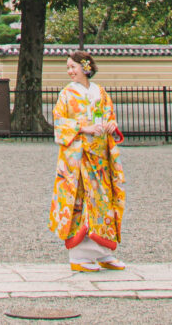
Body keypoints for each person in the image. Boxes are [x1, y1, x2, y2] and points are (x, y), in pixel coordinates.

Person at [48, 51, 124, 272]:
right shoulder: (66, 94)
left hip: (99, 155)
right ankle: (79, 256)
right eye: (68, 67)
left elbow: (109, 116)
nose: (71, 71)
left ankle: (104, 252)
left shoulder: (99, 91)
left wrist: (110, 125)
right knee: (80, 202)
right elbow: (60, 122)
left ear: (86, 67)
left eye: (74, 67)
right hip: (79, 157)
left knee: (103, 200)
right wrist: (83, 128)